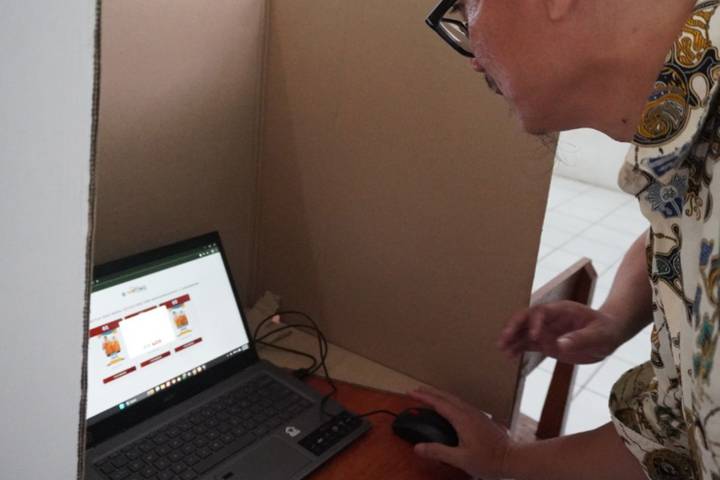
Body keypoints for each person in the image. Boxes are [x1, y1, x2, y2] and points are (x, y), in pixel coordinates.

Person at [416, 0, 720, 478]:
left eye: (467, 3)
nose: (472, 57)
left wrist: (506, 461)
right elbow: (682, 235)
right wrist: (614, 317)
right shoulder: (691, 144)